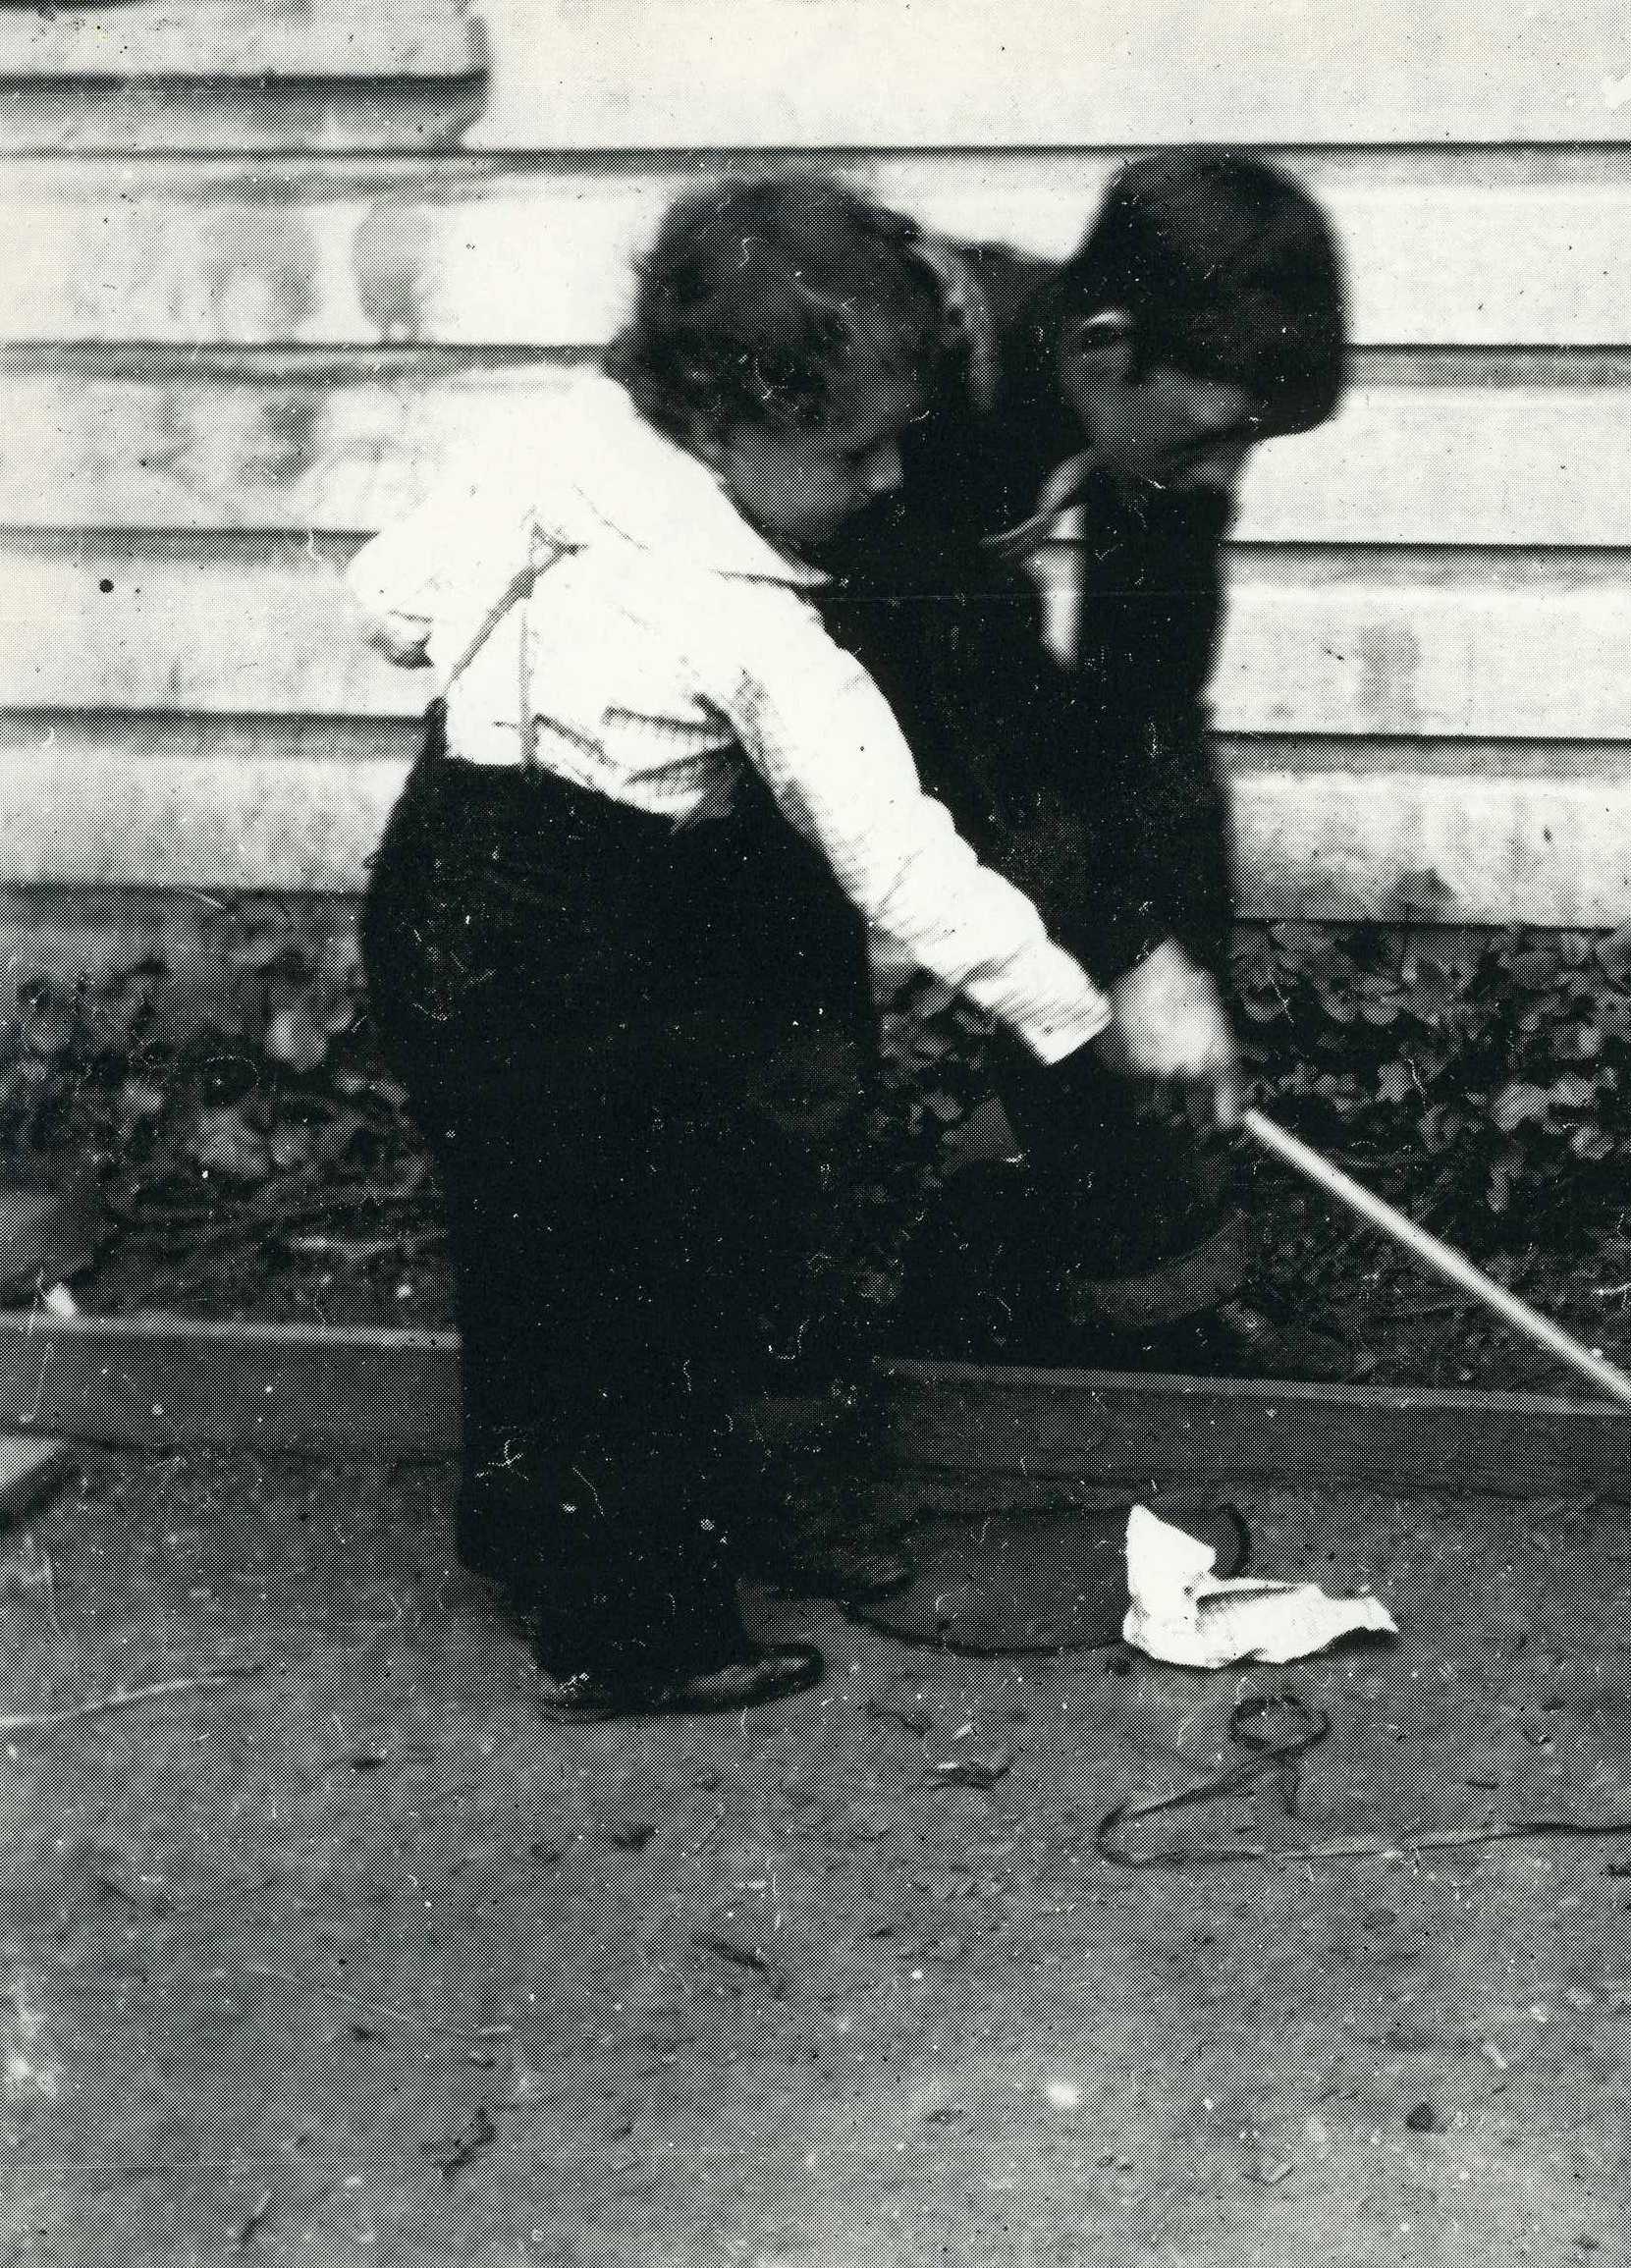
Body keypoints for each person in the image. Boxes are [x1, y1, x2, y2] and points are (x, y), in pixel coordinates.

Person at [350, 177, 1180, 1720]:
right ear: (725, 429)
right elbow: (906, 865)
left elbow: (388, 600)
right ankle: (639, 1632)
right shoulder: (760, 631)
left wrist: (511, 616)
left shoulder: (558, 458)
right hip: (581, 935)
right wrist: (1070, 1014)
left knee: (527, 1250)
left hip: (439, 888)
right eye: (852, 452)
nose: (883, 484)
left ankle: (527, 1534)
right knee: (636, 1276)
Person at [810, 149, 1353, 1374]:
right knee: (781, 1055)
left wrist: (1178, 963)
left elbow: (1149, 705)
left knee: (1145, 852)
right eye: (1218, 436)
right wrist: (1125, 958)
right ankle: (806, 1372)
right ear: (1107, 350)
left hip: (909, 675)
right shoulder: (924, 388)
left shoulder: (1137, 405)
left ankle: (1141, 1284)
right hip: (687, 729)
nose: (1225, 479)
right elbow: (969, 738)